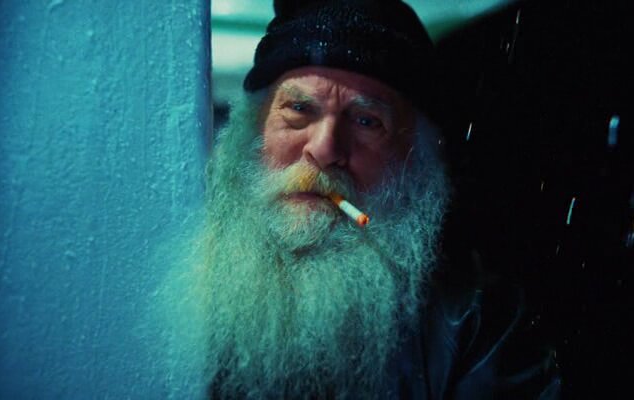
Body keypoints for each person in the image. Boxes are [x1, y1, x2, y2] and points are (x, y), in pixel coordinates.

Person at [194, 0, 560, 398]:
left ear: (412, 159)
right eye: (299, 109)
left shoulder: (476, 324)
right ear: (251, 131)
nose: (325, 149)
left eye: (367, 121)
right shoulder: (182, 273)